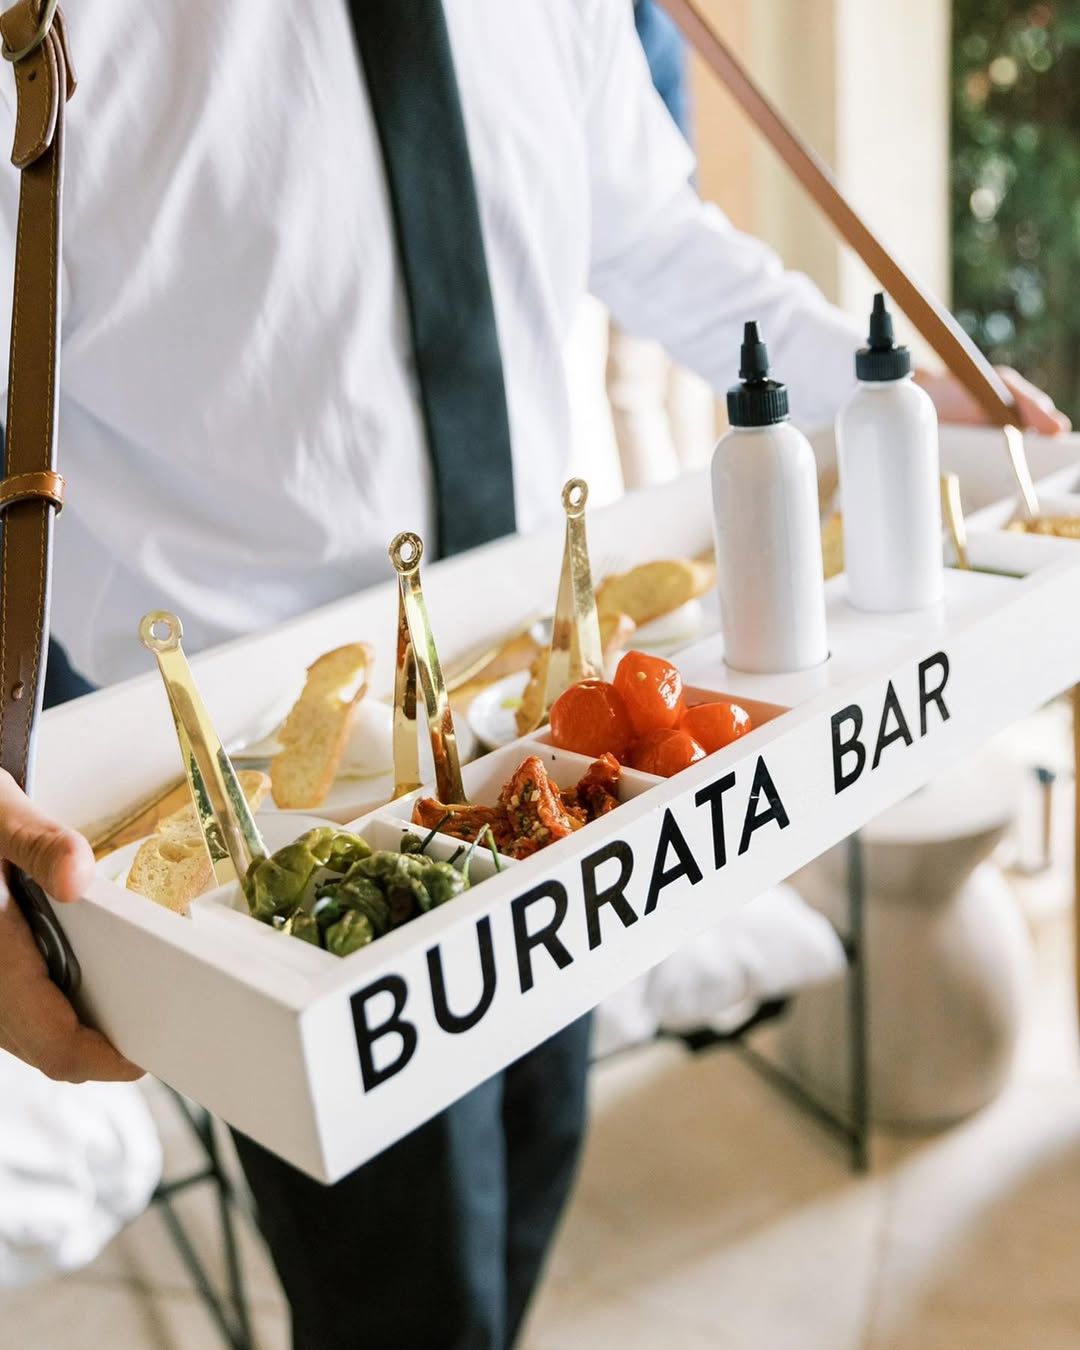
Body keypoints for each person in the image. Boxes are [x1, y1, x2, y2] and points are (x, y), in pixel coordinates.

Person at [0, 2, 1067, 1348]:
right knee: (406, 1303)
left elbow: (654, 233)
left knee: (537, 1159)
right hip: (258, 809)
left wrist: (897, 389)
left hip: (540, 721)